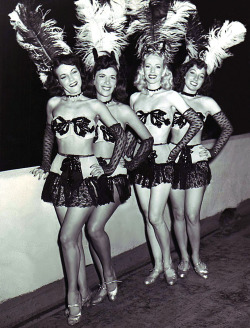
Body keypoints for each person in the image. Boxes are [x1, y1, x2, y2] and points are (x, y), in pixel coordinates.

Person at [32, 54, 126, 325]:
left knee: (65, 237)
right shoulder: (54, 103)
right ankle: (84, 291)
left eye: (73, 73)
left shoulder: (95, 104)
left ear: (80, 74)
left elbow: (119, 134)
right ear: (57, 80)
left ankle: (72, 294)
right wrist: (45, 163)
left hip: (87, 176)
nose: (71, 80)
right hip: (60, 175)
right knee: (72, 240)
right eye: (64, 76)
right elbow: (50, 133)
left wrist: (108, 169)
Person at [129, 49, 203, 286]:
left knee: (155, 215)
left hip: (163, 162)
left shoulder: (171, 96)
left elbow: (196, 121)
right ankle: (158, 265)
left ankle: (169, 264)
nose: (152, 72)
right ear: (142, 69)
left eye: (157, 67)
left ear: (164, 71)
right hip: (141, 163)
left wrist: (177, 147)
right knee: (147, 217)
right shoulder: (134, 98)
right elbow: (133, 132)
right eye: (148, 67)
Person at [85, 51, 153, 305]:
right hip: (88, 175)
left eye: (112, 78)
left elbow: (147, 139)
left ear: (118, 82)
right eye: (101, 76)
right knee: (89, 230)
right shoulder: (86, 106)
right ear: (93, 78)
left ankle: (111, 277)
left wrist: (132, 163)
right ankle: (104, 281)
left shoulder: (122, 110)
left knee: (93, 228)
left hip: (114, 176)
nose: (106, 82)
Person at [169, 58, 233, 279]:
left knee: (192, 215)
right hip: (173, 162)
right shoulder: (170, 97)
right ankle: (184, 259)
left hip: (196, 164)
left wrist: (212, 153)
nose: (196, 79)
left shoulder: (206, 102)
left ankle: (196, 258)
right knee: (177, 214)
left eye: (201, 76)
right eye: (192, 73)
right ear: (184, 74)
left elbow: (227, 128)